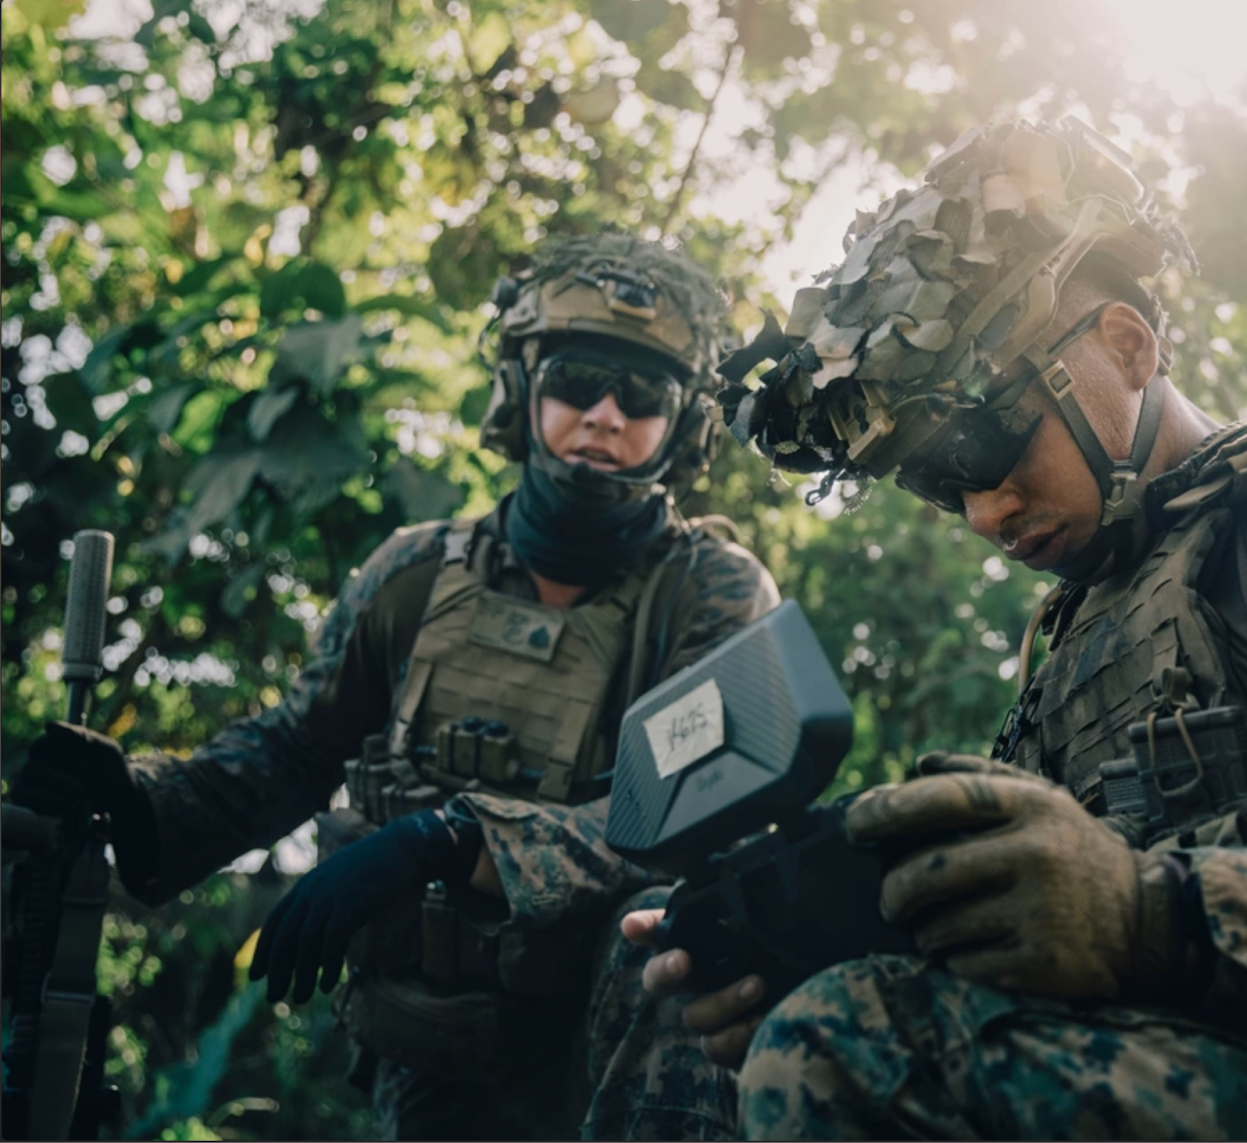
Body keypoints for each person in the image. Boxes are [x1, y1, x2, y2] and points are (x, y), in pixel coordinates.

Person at [646, 118, 1247, 1139]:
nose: (981, 512)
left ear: (1128, 345)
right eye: (934, 480)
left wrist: (1157, 918)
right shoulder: (1072, 647)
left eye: (983, 440)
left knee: (848, 1036)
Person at [10, 234, 778, 1140]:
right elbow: (295, 749)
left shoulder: (713, 592)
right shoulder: (414, 572)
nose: (605, 415)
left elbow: (695, 814)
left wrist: (450, 837)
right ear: (524, 389)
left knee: (674, 929)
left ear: (686, 422)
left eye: (643, 392)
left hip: (615, 1039)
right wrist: (136, 797)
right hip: (438, 1040)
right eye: (576, 379)